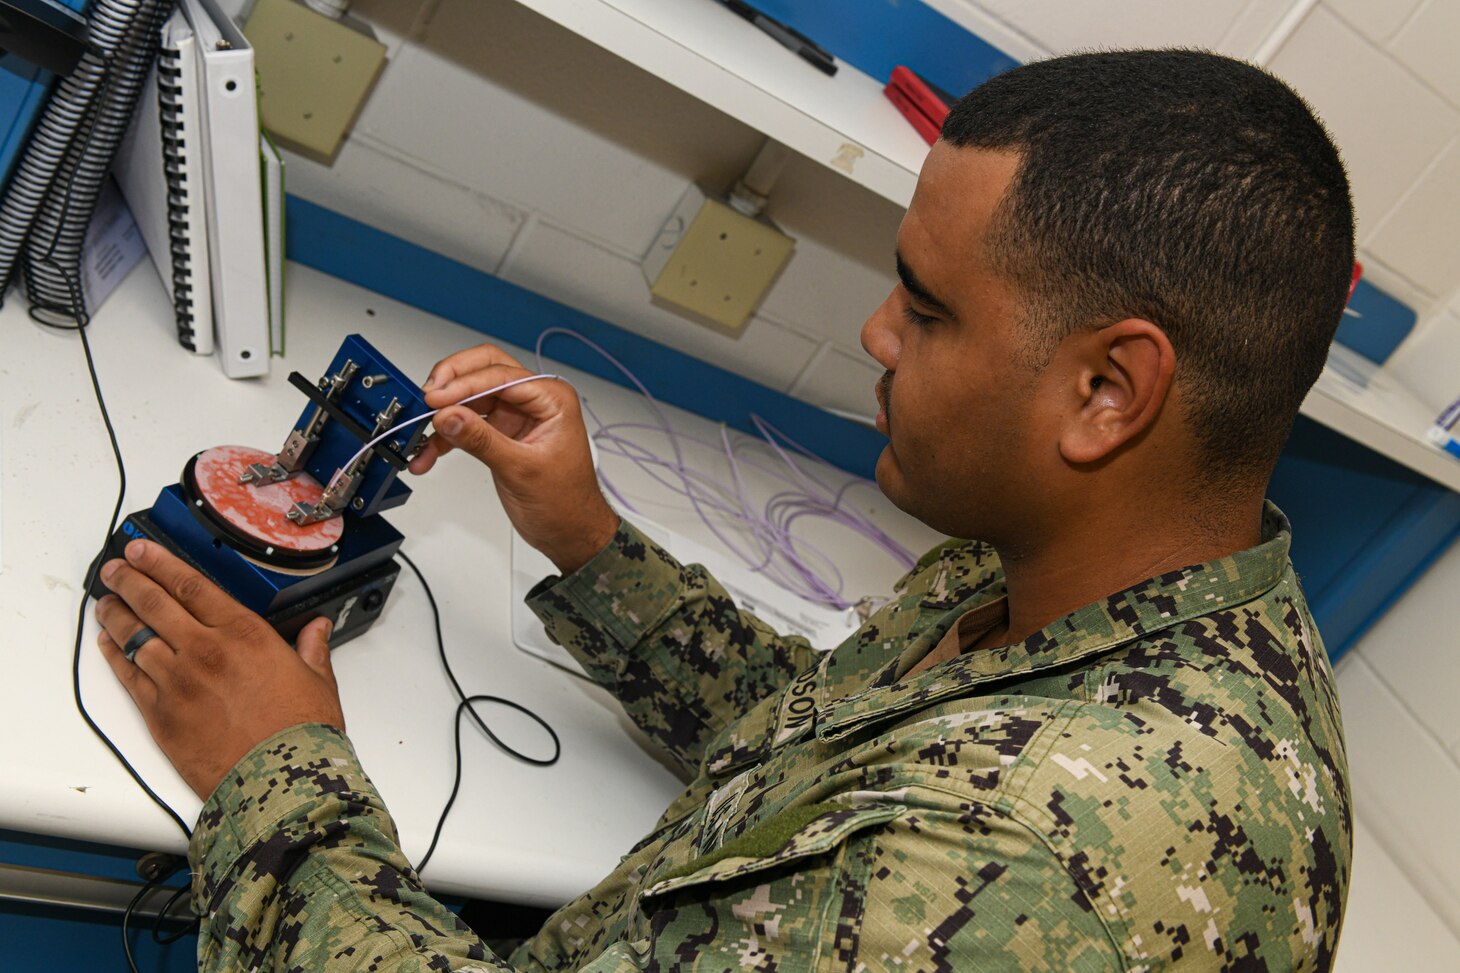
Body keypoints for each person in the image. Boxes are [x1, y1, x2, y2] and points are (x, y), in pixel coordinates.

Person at [92, 48, 1353, 971]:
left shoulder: (1030, 861)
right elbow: (823, 751)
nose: (875, 333)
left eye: (926, 310)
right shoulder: (1085, 563)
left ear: (1106, 390)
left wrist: (273, 770)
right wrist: (587, 542)